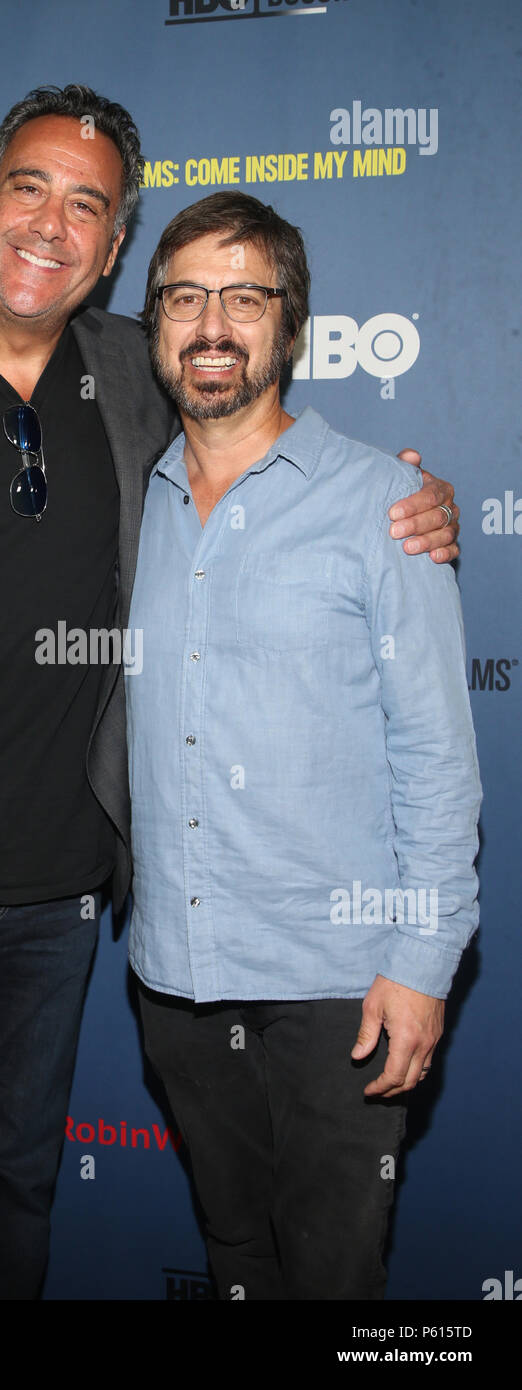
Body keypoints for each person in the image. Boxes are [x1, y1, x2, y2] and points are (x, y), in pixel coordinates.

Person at [0, 88, 458, 1302]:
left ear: (112, 252)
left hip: (56, 902)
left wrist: (411, 500)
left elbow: (259, 433)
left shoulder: (136, 370)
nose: (50, 224)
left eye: (87, 208)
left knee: (10, 1205)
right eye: (31, 188)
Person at [127, 191, 481, 1301]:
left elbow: (435, 756)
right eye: (184, 296)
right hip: (177, 974)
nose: (212, 324)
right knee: (236, 1257)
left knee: (334, 1278)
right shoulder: (126, 496)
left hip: (340, 989)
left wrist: (420, 967)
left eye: (245, 295)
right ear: (153, 327)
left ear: (292, 324)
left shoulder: (381, 503)